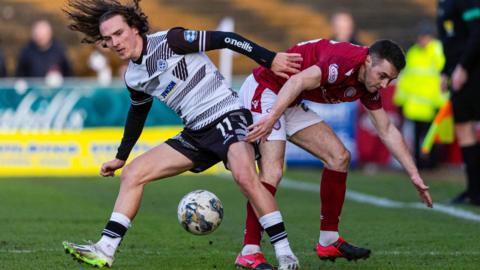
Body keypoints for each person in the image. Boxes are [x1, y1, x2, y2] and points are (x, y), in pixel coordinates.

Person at [62, 0, 303, 269]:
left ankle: (286, 255)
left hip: (225, 115)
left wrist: (270, 59)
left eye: (118, 33)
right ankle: (105, 249)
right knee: (132, 174)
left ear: (134, 28)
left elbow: (226, 38)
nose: (115, 42)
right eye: (108, 39)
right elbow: (137, 114)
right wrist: (121, 157)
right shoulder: (133, 76)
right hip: (196, 133)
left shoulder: (172, 40)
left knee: (245, 177)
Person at [234, 38, 433, 269]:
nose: (385, 85)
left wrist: (414, 174)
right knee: (273, 171)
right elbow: (298, 80)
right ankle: (250, 251)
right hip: (267, 89)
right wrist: (272, 117)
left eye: (391, 80)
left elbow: (387, 129)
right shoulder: (343, 61)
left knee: (339, 157)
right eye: (383, 76)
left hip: (291, 98)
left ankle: (328, 240)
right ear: (368, 60)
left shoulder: (368, 81)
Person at [437, 0, 480, 205]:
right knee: (463, 130)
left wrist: (463, 67)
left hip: (474, 71)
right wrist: (446, 70)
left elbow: (477, 32)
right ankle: (474, 191)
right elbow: (450, 41)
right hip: (457, 75)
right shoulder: (443, 4)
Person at [394, 22, 446, 169]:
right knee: (416, 137)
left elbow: (442, 76)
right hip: (415, 105)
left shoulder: (438, 50)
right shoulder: (413, 53)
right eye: (420, 37)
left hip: (432, 103)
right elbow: (406, 78)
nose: (422, 40)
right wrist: (401, 99)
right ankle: (418, 163)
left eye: (425, 37)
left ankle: (432, 164)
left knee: (432, 137)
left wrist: (441, 101)